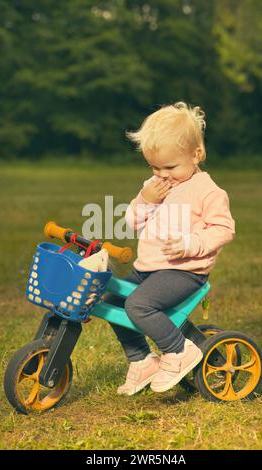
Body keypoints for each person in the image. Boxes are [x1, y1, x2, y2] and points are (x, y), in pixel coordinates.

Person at [106, 101, 235, 396]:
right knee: (113, 300)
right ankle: (141, 360)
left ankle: (178, 352)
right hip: (147, 268)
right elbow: (132, 222)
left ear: (196, 154)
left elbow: (224, 229)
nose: (161, 174)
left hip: (184, 271)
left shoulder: (207, 191)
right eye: (154, 166)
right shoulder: (155, 185)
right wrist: (146, 199)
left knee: (138, 305)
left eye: (170, 166)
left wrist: (193, 243)